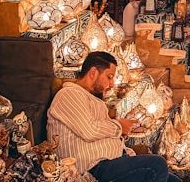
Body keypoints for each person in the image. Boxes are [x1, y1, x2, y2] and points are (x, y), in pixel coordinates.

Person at [47, 52, 181, 182]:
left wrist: (125, 147)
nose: (111, 84)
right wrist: (119, 126)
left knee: (173, 180)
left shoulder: (92, 99)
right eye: (109, 77)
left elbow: (99, 132)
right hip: (93, 168)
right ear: (93, 73)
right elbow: (90, 131)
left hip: (112, 162)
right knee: (156, 165)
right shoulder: (69, 94)